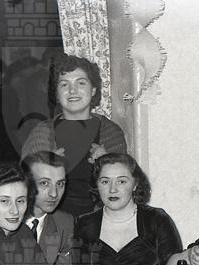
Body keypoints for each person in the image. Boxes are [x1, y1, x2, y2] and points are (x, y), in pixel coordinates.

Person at [75, 153, 182, 265]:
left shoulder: (157, 219)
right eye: (105, 181)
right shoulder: (85, 224)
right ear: (97, 185)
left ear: (135, 184)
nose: (112, 189)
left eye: (122, 181)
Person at [21, 54, 127, 218]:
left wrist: (107, 163)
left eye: (81, 83)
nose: (72, 90)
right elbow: (22, 187)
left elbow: (124, 189)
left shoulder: (111, 132)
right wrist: (43, 167)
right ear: (57, 94)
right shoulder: (41, 133)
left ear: (93, 90)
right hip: (52, 222)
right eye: (64, 84)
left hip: (100, 219)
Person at [21, 151, 86, 265]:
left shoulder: (64, 223)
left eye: (60, 184)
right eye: (44, 183)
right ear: (25, 182)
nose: (54, 193)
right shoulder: (5, 220)